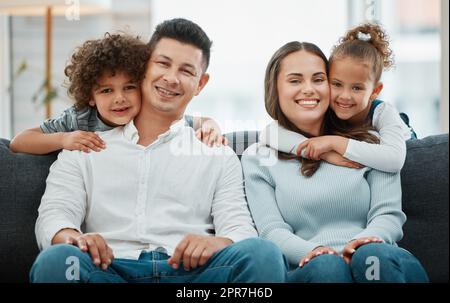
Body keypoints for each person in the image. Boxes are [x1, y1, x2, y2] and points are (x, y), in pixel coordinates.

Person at [29, 18, 287, 283]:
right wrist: (75, 238)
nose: (171, 78)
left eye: (186, 71)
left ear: (200, 84)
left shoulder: (217, 154)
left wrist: (220, 242)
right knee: (57, 261)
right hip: (108, 270)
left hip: (193, 279)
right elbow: (55, 214)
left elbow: (239, 227)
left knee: (262, 254)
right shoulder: (83, 147)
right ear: (143, 68)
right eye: (163, 64)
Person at [241, 40, 429, 282]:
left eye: (318, 79)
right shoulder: (258, 157)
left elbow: (388, 214)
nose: (308, 89)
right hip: (309, 267)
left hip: (378, 257)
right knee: (328, 267)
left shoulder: (370, 144)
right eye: (295, 80)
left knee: (372, 257)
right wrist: (313, 252)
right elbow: (272, 230)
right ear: (274, 89)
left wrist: (364, 242)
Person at [9, 33, 226, 155]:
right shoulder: (81, 118)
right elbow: (19, 141)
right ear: (90, 96)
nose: (119, 98)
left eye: (129, 87)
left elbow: (191, 122)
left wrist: (210, 124)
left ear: (141, 84)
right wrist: (64, 139)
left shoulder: (147, 117)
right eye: (106, 90)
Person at [259, 23, 415, 173]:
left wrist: (334, 142)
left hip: (409, 154)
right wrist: (322, 152)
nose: (345, 96)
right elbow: (269, 133)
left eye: (356, 88)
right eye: (337, 84)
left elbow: (394, 159)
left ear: (375, 91)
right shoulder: (330, 109)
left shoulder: (383, 112)